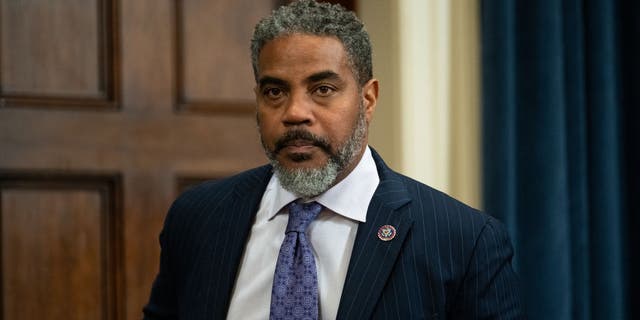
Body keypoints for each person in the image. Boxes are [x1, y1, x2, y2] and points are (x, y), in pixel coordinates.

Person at [143, 1, 524, 319]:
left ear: (368, 99)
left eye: (322, 89)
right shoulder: (197, 219)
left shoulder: (464, 242)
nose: (294, 112)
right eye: (275, 91)